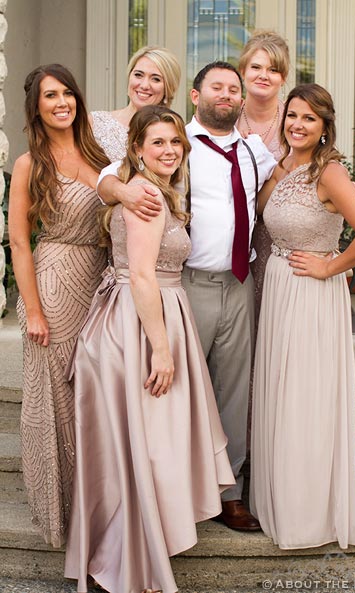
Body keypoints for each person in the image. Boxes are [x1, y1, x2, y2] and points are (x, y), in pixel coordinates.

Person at [97, 61, 277, 532]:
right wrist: (121, 189)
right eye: (216, 87)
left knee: (234, 394)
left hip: (239, 283)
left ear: (241, 101)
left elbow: (293, 184)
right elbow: (106, 175)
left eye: (234, 89)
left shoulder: (255, 151)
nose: (227, 94)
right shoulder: (176, 144)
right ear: (195, 96)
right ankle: (177, 496)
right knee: (174, 395)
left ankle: (230, 493)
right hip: (185, 285)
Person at [64, 105, 235, 593]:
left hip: (147, 316)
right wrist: (161, 350)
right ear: (136, 148)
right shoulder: (146, 196)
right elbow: (140, 275)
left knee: (146, 447)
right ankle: (135, 566)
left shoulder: (155, 192)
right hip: (140, 327)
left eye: (175, 142)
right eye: (157, 142)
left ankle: (137, 557)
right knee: (148, 447)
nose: (168, 150)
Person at [250, 83, 355, 549]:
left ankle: (306, 514)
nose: (297, 124)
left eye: (309, 117)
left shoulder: (330, 173)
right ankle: (277, 500)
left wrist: (331, 265)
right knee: (279, 394)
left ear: (325, 125)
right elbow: (261, 209)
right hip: (279, 290)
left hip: (311, 291)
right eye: (292, 115)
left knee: (303, 400)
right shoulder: (286, 164)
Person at [8, 64, 110, 547]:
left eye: (68, 92)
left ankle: (100, 510)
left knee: (97, 395)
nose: (62, 102)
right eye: (51, 96)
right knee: (59, 400)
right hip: (53, 282)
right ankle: (64, 517)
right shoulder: (30, 164)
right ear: (37, 106)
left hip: (103, 283)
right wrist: (32, 310)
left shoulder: (99, 153)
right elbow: (21, 244)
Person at [238, 30, 290, 321]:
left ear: (283, 78)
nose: (263, 75)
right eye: (256, 67)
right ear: (243, 70)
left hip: (279, 239)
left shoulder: (294, 121)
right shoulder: (225, 119)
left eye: (273, 70)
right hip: (231, 238)